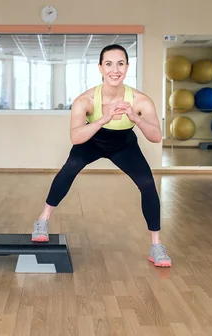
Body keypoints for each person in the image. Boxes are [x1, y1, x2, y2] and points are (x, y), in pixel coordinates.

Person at [31, 44, 171, 267]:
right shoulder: (85, 100)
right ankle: (43, 219)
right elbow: (76, 138)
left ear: (127, 67)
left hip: (124, 144)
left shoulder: (141, 101)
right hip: (92, 140)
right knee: (70, 168)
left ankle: (156, 246)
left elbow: (156, 137)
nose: (115, 70)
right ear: (100, 67)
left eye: (120, 64)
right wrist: (103, 119)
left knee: (147, 183)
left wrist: (135, 117)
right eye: (109, 64)